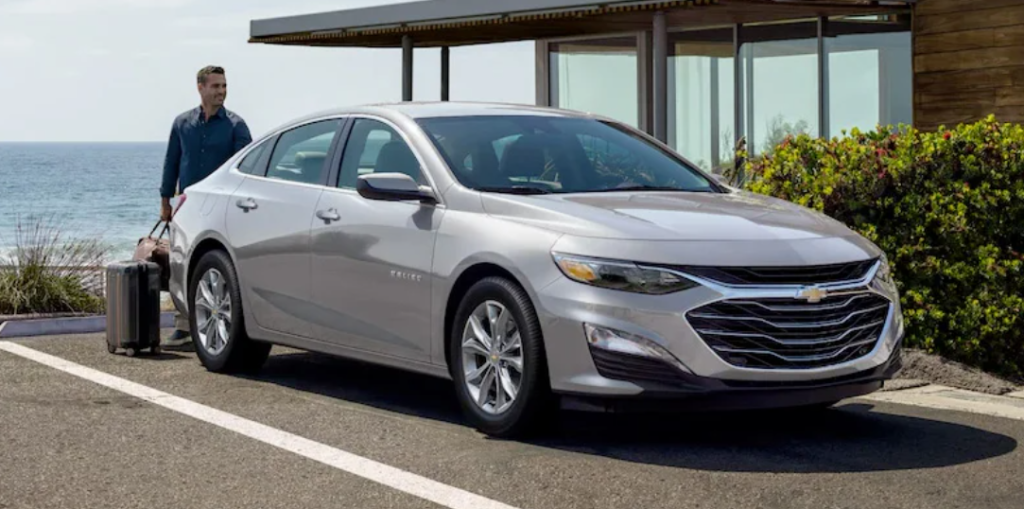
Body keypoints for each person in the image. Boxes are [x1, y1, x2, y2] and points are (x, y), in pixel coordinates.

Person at [160, 65, 252, 349]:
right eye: (215, 86)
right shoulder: (182, 123)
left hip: (220, 208)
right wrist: (165, 201)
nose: (221, 92)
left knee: (214, 264)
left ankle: (219, 325)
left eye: (224, 86)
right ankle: (183, 325)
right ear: (200, 87)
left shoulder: (236, 126)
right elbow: (172, 162)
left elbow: (246, 170)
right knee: (180, 265)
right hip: (187, 207)